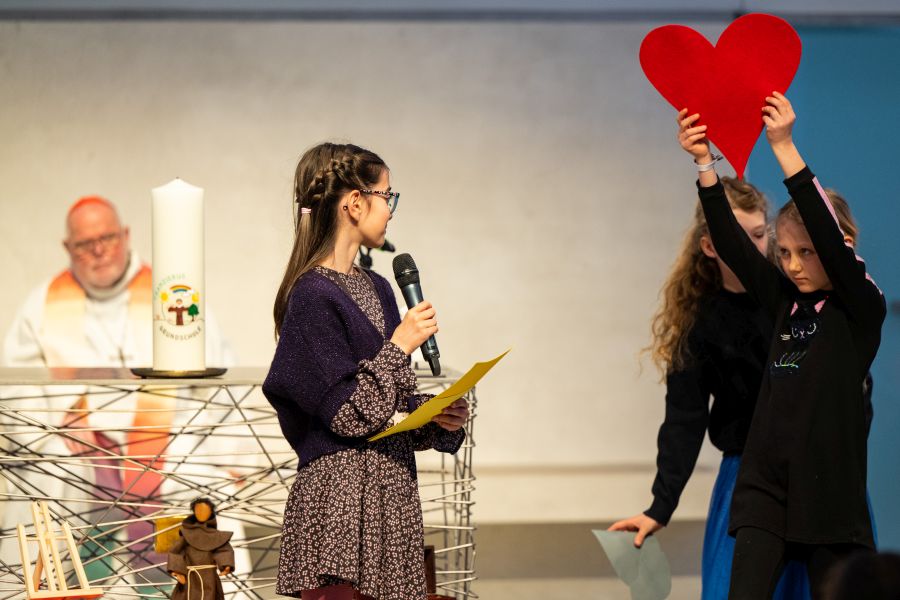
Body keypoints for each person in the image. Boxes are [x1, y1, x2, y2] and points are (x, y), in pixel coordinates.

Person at [678, 92, 885, 599]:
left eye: (806, 252)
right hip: (765, 493)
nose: (792, 265)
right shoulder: (783, 302)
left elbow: (827, 236)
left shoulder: (861, 308)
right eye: (785, 252)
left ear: (841, 247)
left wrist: (784, 146)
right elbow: (732, 246)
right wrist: (705, 164)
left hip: (831, 497)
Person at [262, 142, 469, 600]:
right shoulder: (311, 296)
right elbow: (349, 416)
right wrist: (400, 345)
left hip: (389, 496)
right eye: (386, 196)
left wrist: (435, 417)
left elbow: (387, 409)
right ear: (355, 203)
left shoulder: (378, 287)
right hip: (342, 501)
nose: (391, 209)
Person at [0, 195, 237, 584]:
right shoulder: (42, 303)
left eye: (107, 237)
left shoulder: (173, 296)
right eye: (84, 243)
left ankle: (186, 589)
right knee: (46, 478)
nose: (99, 250)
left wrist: (225, 453)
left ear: (125, 235)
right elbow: (16, 390)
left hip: (166, 439)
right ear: (67, 248)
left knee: (200, 479)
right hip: (75, 446)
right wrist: (56, 428)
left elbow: (214, 379)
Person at [609, 178, 810, 599]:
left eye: (759, 235)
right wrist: (660, 506)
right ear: (709, 246)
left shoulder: (796, 303)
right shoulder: (700, 322)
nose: (751, 247)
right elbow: (684, 419)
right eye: (736, 237)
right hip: (745, 476)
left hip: (813, 473)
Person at [168, 497, 235, 600]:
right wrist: (177, 571)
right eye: (198, 510)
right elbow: (176, 551)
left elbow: (223, 550)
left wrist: (226, 565)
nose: (201, 513)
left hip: (209, 577)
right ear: (194, 512)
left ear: (210, 512)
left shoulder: (216, 536)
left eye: (205, 510)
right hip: (190, 576)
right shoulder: (187, 534)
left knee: (210, 596)